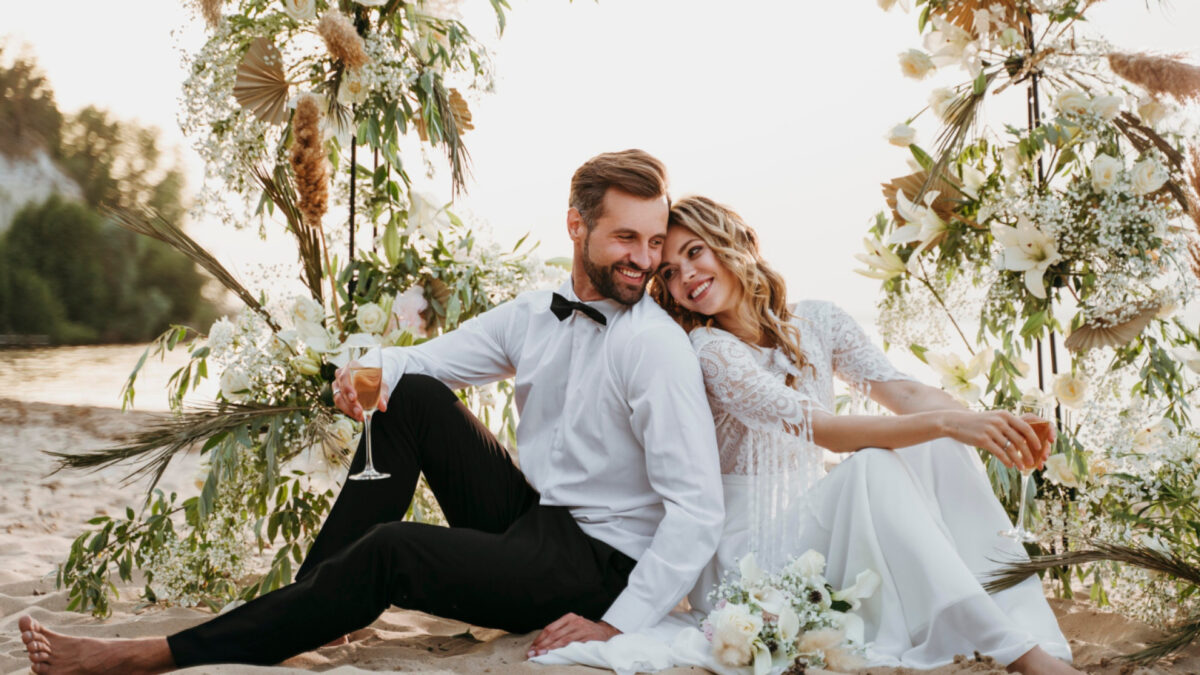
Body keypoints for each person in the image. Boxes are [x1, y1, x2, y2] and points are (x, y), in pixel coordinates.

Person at [18, 150, 725, 674]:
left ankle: (156, 653)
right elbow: (427, 360)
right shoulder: (536, 314)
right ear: (577, 225)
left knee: (393, 545)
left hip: (598, 568)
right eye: (626, 238)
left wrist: (617, 623)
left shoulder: (653, 350)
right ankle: (314, 609)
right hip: (536, 520)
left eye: (654, 240)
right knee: (409, 395)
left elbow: (697, 509)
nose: (645, 258)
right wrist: (364, 373)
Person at [536, 195, 1080, 675]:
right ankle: (1016, 650)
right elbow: (827, 431)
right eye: (672, 273)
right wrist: (950, 421)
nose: (686, 277)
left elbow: (905, 394)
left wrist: (984, 420)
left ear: (738, 241)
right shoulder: (711, 351)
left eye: (695, 252)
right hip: (747, 554)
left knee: (940, 442)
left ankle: (1017, 615)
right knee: (875, 462)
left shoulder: (818, 320)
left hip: (816, 527)